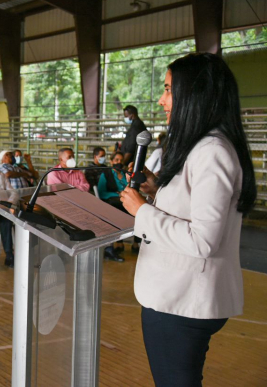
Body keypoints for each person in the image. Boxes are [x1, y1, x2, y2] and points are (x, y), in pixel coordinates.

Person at [119, 53, 257, 387]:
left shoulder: (212, 150)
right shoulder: (203, 146)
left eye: (168, 89)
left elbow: (203, 240)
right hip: (179, 296)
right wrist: (155, 189)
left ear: (194, 94)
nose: (162, 99)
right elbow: (193, 207)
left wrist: (143, 211)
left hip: (182, 301)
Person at [97, 151, 131, 261]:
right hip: (112, 203)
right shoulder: (106, 174)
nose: (119, 162)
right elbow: (101, 192)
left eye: (121, 160)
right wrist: (118, 194)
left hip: (125, 202)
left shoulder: (125, 174)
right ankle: (111, 248)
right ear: (111, 161)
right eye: (116, 160)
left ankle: (134, 244)